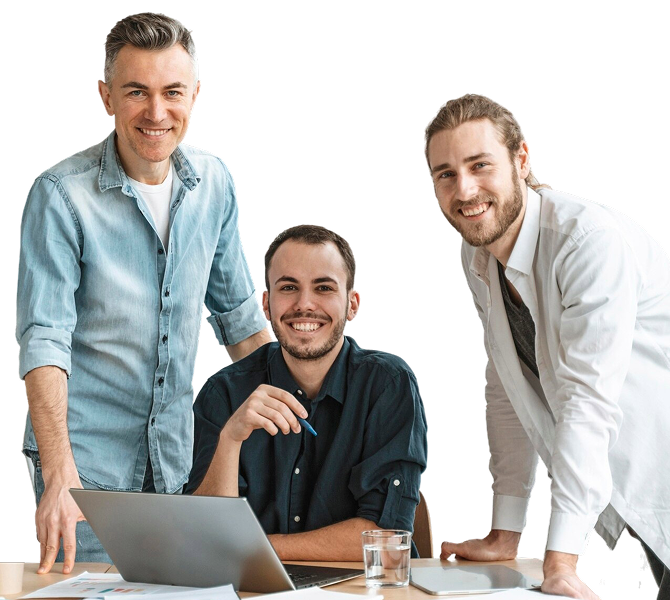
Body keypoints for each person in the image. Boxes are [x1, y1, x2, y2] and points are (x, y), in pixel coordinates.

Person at [16, 12, 271, 574]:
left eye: (172, 92)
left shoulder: (215, 183)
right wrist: (59, 476)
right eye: (137, 92)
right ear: (106, 97)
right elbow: (44, 342)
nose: (157, 113)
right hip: (89, 470)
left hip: (180, 461)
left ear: (196, 94)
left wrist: (295, 439)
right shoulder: (59, 195)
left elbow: (240, 322)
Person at [423, 94, 669, 599]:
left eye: (479, 165)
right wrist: (505, 535)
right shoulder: (477, 252)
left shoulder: (588, 242)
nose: (464, 189)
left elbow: (586, 402)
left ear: (521, 159)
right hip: (636, 497)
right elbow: (508, 389)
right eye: (444, 173)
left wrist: (559, 563)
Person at [185, 224, 428, 560]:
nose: (305, 304)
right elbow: (205, 536)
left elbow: (386, 542)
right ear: (266, 305)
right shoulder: (223, 391)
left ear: (352, 304)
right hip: (253, 592)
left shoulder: (388, 383)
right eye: (289, 287)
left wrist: (254, 548)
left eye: (324, 288)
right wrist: (231, 440)